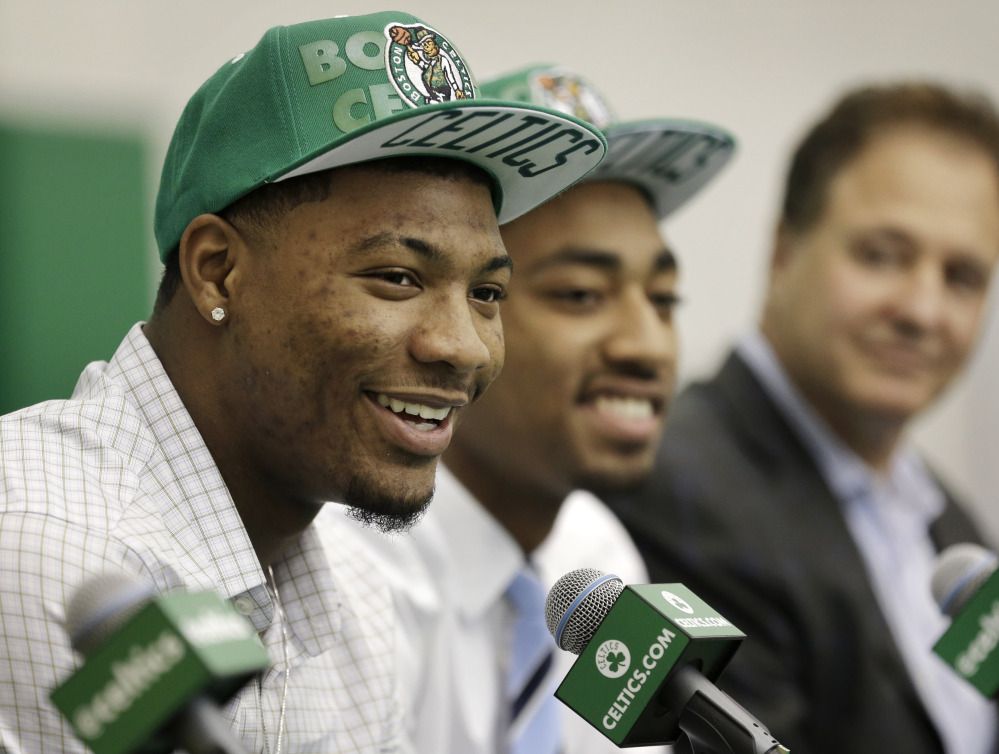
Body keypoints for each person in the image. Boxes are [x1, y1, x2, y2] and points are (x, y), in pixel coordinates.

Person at [0, 15, 608, 753]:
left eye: (486, 293)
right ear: (217, 270)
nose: (462, 347)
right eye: (396, 277)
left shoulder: (355, 586)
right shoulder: (48, 548)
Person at [320, 64, 735, 753]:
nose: (648, 346)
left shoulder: (593, 553)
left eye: (663, 300)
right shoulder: (348, 556)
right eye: (579, 294)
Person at [604, 81, 999, 754]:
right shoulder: (675, 485)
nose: (921, 310)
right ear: (783, 251)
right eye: (882, 256)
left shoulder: (944, 521)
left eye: (960, 277)